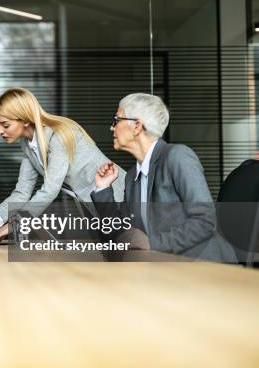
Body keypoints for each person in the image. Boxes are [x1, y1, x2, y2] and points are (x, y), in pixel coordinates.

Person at [0, 87, 125, 242]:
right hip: (96, 206)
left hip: (120, 198)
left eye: (5, 125)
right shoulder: (28, 145)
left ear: (25, 120)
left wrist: (15, 224)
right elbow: (21, 193)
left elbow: (50, 190)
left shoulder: (58, 135)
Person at [92, 93, 237, 262]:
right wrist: (103, 189)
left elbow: (205, 221)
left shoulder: (177, 156)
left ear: (137, 126)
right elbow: (123, 232)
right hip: (167, 270)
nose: (112, 127)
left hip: (205, 268)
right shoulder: (132, 177)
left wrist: (151, 245)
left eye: (117, 120)